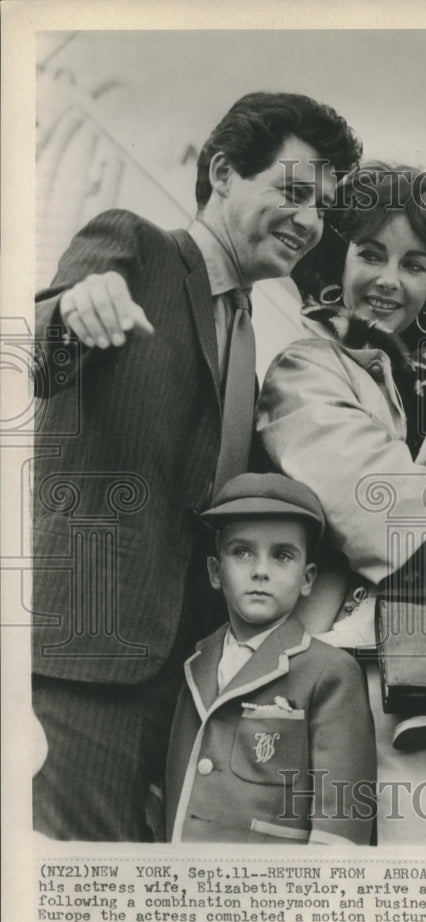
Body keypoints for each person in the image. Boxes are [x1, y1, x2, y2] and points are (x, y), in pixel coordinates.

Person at [32, 91, 361, 841]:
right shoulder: (135, 247)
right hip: (85, 654)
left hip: (183, 677)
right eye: (294, 191)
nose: (311, 222)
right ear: (221, 172)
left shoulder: (249, 334)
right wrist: (77, 305)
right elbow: (37, 352)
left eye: (323, 207)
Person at [256, 163, 426, 842]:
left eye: (414, 265)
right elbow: (380, 502)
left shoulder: (404, 377)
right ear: (336, 257)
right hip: (358, 665)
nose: (387, 280)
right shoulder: (308, 365)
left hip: (423, 659)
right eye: (370, 254)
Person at [165, 473, 376, 844]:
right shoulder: (195, 662)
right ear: (216, 572)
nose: (260, 570)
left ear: (308, 578)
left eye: (282, 555)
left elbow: (342, 824)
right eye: (242, 552)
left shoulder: (330, 672)